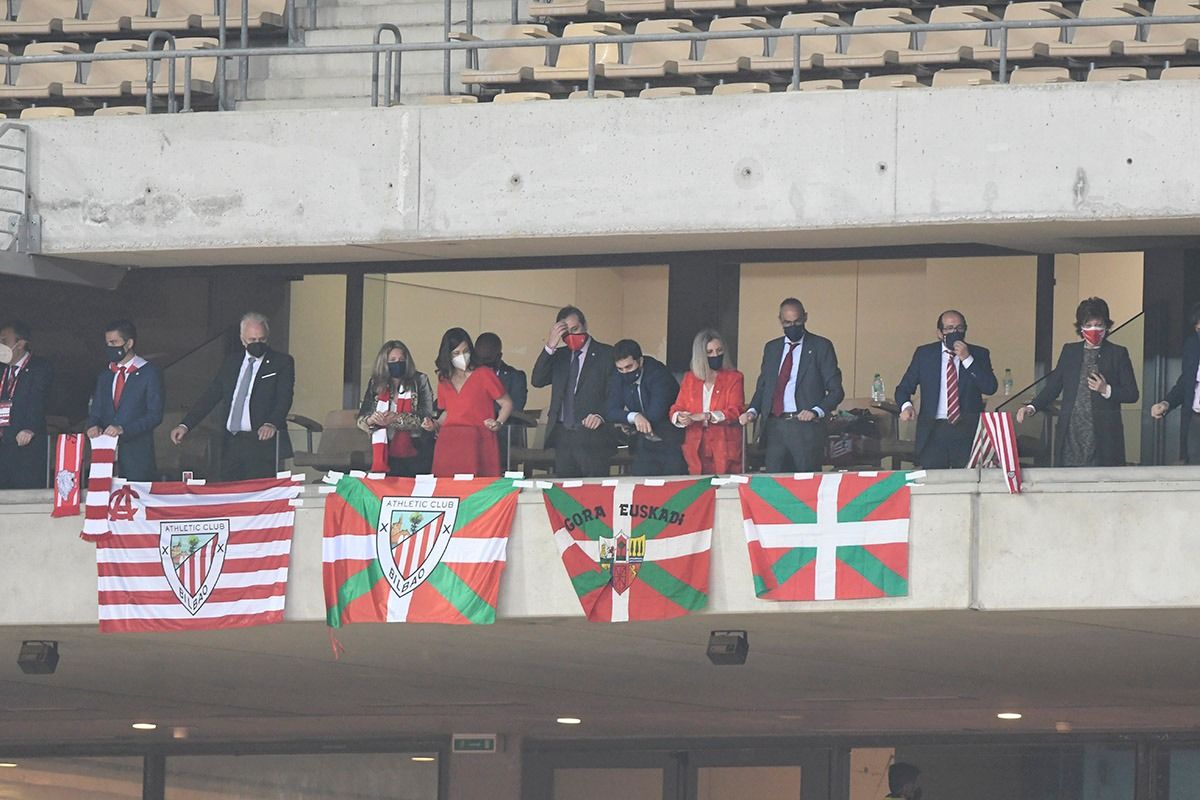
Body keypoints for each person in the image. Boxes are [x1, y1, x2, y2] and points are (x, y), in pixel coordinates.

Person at [171, 312, 295, 481]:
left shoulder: (281, 362)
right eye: (252, 340)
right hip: (231, 441)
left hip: (261, 441)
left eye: (262, 339)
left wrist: (271, 423)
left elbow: (284, 397)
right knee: (229, 492)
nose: (257, 344)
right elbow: (211, 396)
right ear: (243, 339)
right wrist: (186, 425)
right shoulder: (232, 362)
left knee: (256, 494)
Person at [1017, 297, 1138, 467]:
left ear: (1106, 326)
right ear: (1081, 328)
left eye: (1098, 325)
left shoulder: (1118, 353)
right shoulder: (1070, 351)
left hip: (1104, 435)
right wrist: (1032, 407)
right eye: (1088, 325)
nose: (1093, 329)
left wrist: (1106, 389)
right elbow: (1054, 386)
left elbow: (1132, 393)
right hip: (1071, 431)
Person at [740, 298, 844, 473]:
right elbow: (764, 387)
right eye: (787, 323)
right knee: (775, 483)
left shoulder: (820, 346)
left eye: (797, 321)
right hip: (775, 427)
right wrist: (752, 411)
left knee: (806, 484)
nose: (792, 326)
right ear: (780, 320)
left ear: (805, 318)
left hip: (805, 427)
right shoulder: (772, 348)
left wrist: (816, 411)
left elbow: (836, 391)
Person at [895, 310, 999, 469]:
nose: (954, 332)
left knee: (966, 481)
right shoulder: (925, 354)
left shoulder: (979, 354)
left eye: (959, 328)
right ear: (939, 333)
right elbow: (903, 388)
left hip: (967, 429)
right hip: (934, 429)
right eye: (949, 329)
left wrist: (967, 359)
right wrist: (906, 406)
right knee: (933, 481)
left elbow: (990, 387)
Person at [531, 305, 615, 478]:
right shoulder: (559, 356)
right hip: (563, 436)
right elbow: (537, 380)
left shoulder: (606, 354)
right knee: (566, 495)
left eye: (575, 329)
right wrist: (550, 346)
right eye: (565, 333)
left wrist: (601, 415)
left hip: (593, 437)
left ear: (585, 325)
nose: (572, 336)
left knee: (594, 494)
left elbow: (615, 394)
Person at [426, 328, 513, 477]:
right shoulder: (444, 378)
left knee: (479, 490)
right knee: (447, 490)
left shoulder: (484, 373)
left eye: (465, 351)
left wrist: (498, 422)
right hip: (449, 442)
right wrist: (434, 424)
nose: (462, 356)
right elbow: (448, 412)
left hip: (479, 440)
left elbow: (506, 403)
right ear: (447, 355)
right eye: (456, 353)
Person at [85, 319, 165, 481]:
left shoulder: (149, 373)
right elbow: (96, 411)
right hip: (105, 455)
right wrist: (92, 425)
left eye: (114, 342)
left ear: (129, 343)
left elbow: (154, 415)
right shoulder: (106, 376)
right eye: (107, 343)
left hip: (137, 455)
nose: (110, 347)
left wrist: (124, 429)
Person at [671, 329, 745, 475]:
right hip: (695, 446)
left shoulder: (734, 378)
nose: (715, 355)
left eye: (719, 350)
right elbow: (676, 408)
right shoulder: (690, 379)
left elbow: (736, 410)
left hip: (724, 446)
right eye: (709, 352)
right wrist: (679, 417)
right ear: (701, 356)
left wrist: (706, 416)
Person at [606, 339, 685, 476]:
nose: (625, 372)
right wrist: (634, 417)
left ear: (640, 361)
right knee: (641, 486)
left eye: (629, 367)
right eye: (620, 368)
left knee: (672, 488)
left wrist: (630, 423)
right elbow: (610, 410)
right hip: (645, 443)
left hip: (671, 442)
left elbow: (657, 412)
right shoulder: (618, 376)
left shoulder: (658, 374)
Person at [357, 339, 435, 477]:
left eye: (401, 359)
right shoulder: (376, 383)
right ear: (384, 363)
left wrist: (396, 419)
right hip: (385, 449)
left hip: (417, 448)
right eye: (392, 360)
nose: (397, 363)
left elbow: (426, 416)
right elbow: (361, 418)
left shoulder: (420, 380)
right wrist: (371, 420)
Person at [0, 320, 52, 490]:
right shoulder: (2, 369)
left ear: (20, 343)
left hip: (26, 444)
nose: (1, 346)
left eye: (4, 341)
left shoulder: (40, 367)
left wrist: (30, 427)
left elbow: (41, 400)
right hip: (4, 443)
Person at [1151, 301, 1200, 463]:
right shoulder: (1192, 345)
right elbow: (1186, 382)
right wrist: (1166, 403)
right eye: (1199, 329)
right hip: (1195, 420)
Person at [473, 332, 528, 470]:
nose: (484, 366)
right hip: (473, 435)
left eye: (488, 361)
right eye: (480, 361)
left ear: (499, 357)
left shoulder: (516, 377)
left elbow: (515, 409)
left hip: (503, 435)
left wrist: (492, 420)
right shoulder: (469, 376)